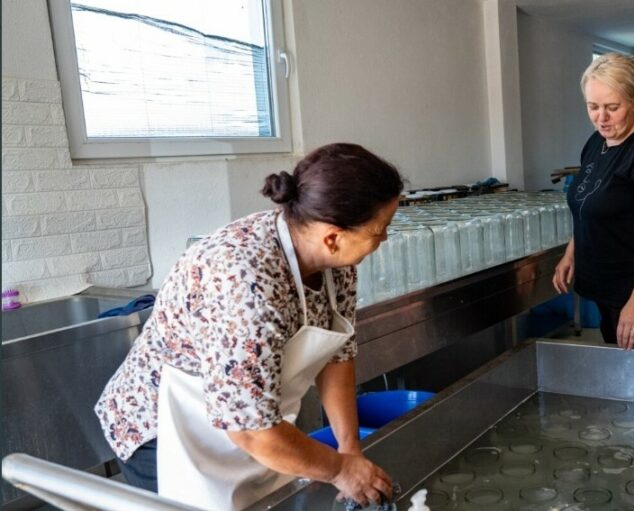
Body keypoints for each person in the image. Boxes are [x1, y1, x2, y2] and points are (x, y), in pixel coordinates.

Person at [94, 143, 404, 510]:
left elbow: (337, 356)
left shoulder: (337, 265)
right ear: (333, 237)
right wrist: (338, 470)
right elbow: (251, 431)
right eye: (380, 230)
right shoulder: (243, 280)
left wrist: (348, 448)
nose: (384, 239)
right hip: (165, 430)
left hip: (252, 422)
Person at [553, 52, 634, 349]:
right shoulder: (597, 140)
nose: (602, 118)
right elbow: (589, 200)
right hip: (606, 285)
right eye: (593, 107)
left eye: (612, 107)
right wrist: (572, 253)